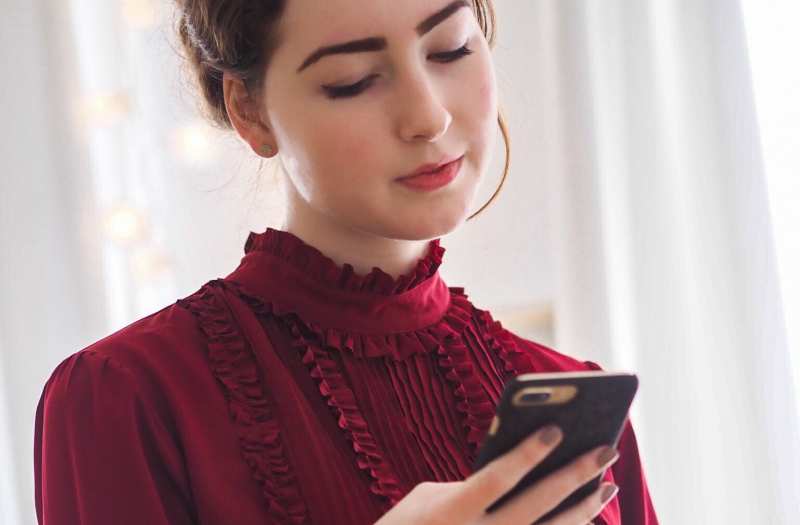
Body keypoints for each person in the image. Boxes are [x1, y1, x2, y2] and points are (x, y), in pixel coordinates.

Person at [33, 1, 659, 524]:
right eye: (354, 80)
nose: (428, 116)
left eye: (450, 50)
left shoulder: (578, 408)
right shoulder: (125, 397)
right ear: (249, 112)